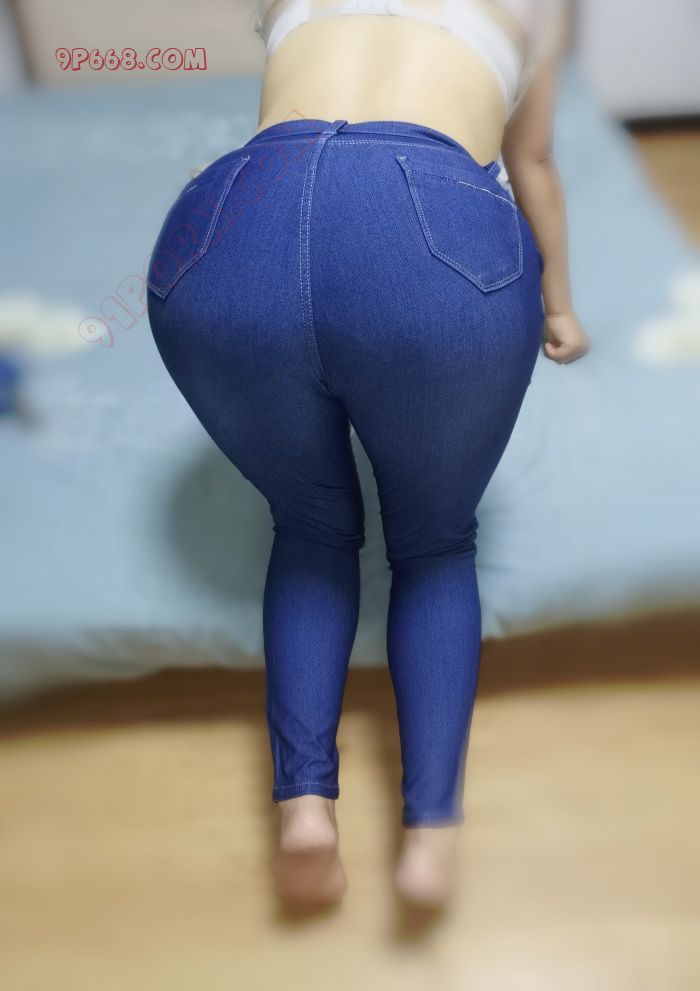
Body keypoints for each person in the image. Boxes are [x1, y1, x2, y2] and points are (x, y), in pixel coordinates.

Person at [146, 0, 589, 908]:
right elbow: (533, 162)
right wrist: (559, 307)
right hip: (426, 238)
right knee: (433, 543)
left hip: (229, 223)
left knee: (309, 525)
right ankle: (428, 841)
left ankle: (305, 808)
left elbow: (297, 135)